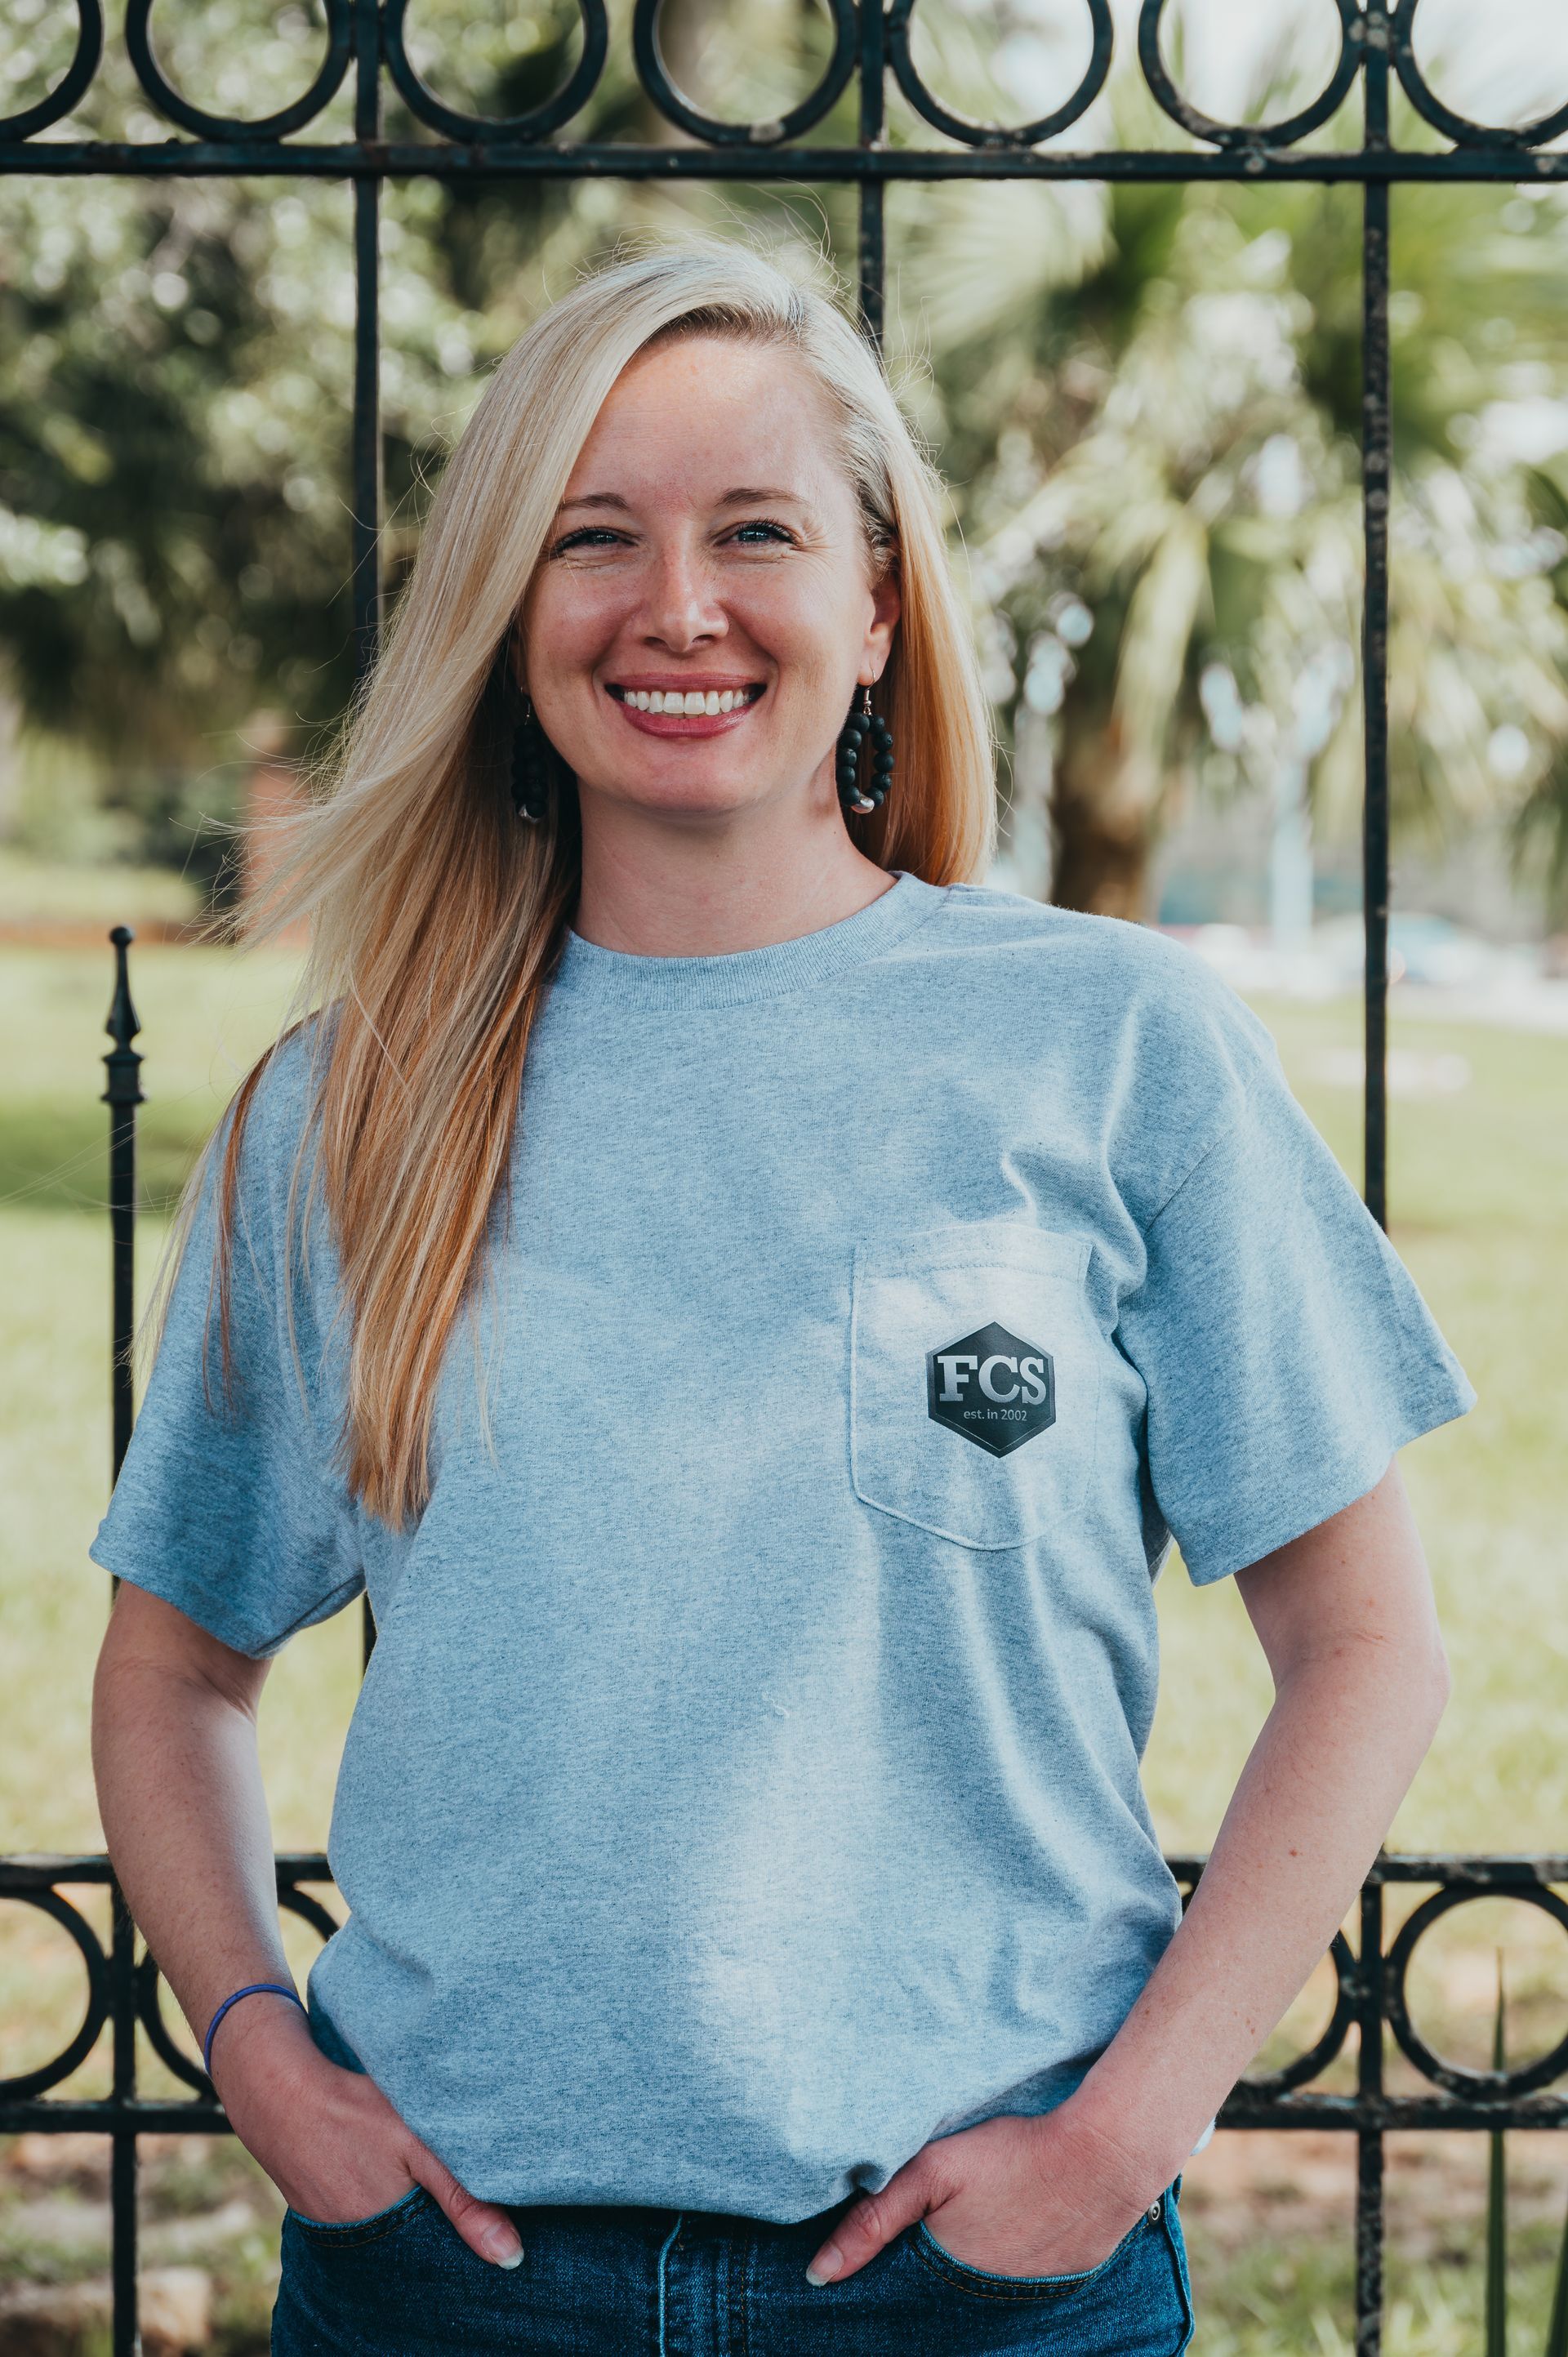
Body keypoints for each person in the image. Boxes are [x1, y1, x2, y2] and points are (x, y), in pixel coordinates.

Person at [90, 238, 1473, 2357]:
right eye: (594, 539)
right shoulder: (349, 1107)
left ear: (882, 598)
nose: (678, 606)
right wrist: (266, 2060)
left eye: (758, 531)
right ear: (501, 607)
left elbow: (1365, 1648)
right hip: (449, 2289)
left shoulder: (1109, 1048)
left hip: (979, 2282)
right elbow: (174, 1664)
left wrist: (1123, 2138)